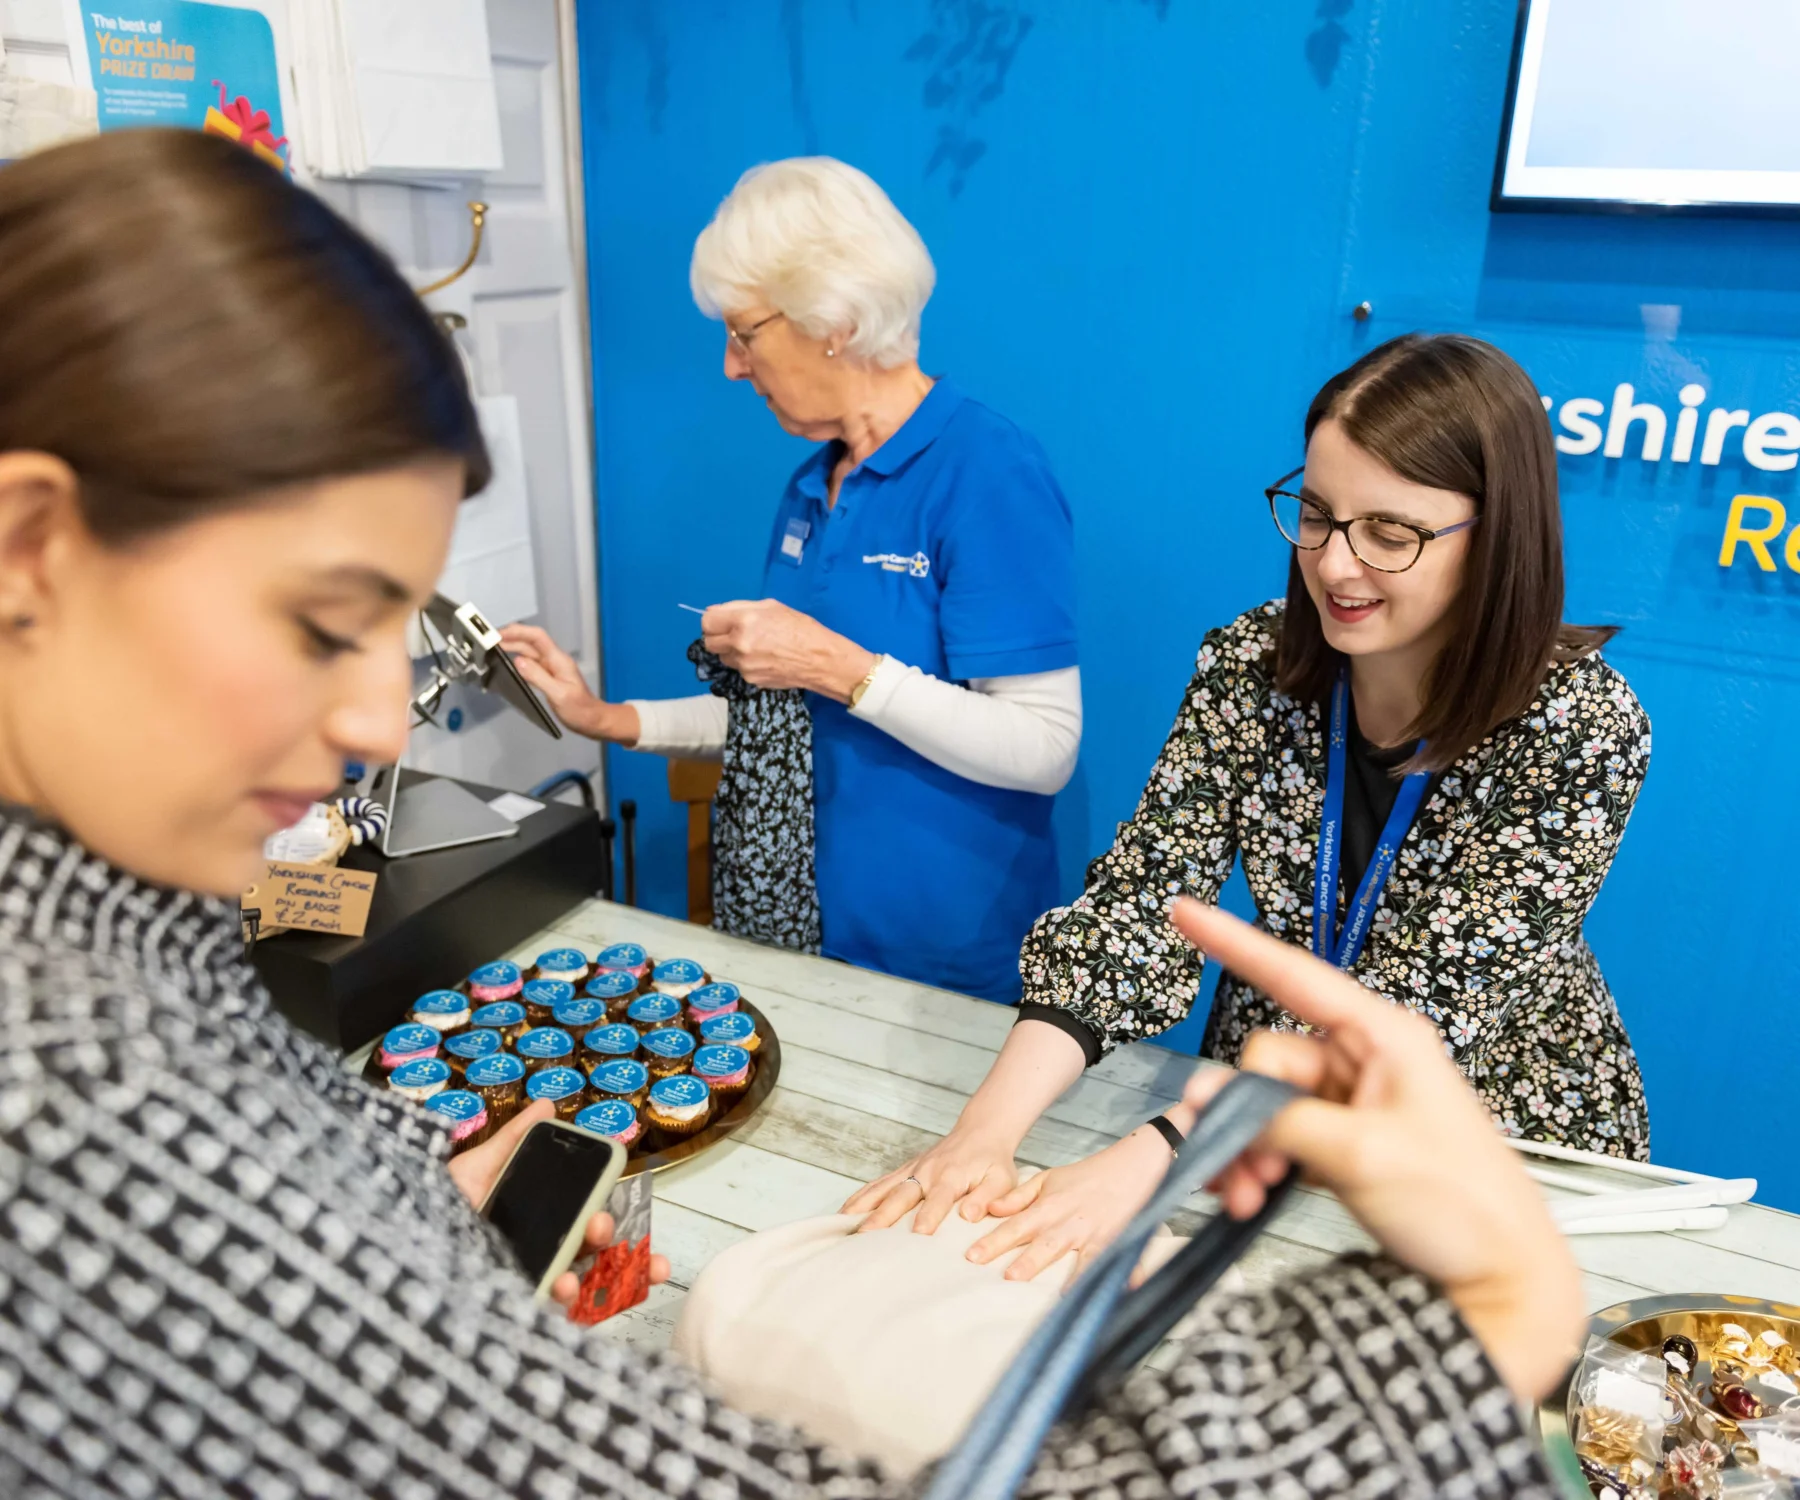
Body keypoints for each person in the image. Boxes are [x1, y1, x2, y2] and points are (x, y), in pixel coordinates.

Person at [0, 131, 1583, 1500]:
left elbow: (1042, 758)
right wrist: (1466, 1338)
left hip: (1224, 1064)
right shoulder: (88, 1089)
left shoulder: (988, 473)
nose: (368, 721)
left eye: (1392, 532)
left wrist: (392, 1196)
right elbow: (1114, 897)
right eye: (318, 619)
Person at [850, 333, 1652, 1277]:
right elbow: (1143, 899)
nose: (1336, 566)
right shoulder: (1252, 664)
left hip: (1482, 1119)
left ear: (1498, 535)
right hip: (1254, 1097)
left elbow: (1419, 1014)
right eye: (1316, 514)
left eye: (1390, 534)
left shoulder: (1580, 728)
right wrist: (984, 1132)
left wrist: (1153, 1158)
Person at [502, 157, 1081, 1003]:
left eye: (744, 333)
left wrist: (837, 665)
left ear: (834, 321)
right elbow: (781, 721)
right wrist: (608, 718)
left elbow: (1045, 749)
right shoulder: (813, 485)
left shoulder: (988, 474)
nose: (732, 366)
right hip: (799, 945)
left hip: (943, 971)